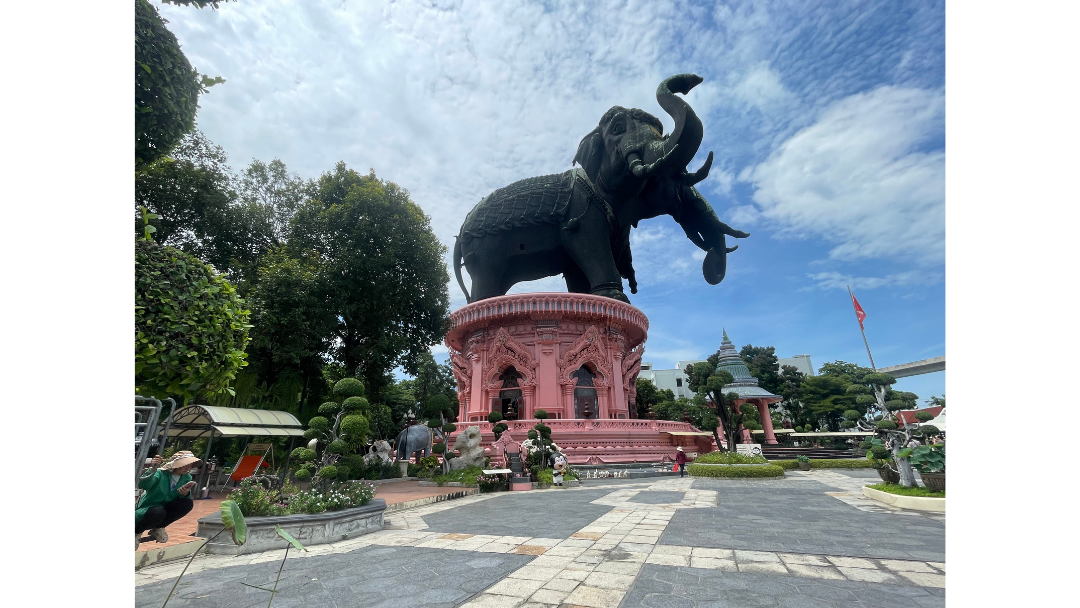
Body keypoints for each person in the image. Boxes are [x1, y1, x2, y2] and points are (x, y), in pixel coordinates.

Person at [135, 450, 200, 550]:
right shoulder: (160, 473)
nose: (188, 468)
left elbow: (184, 499)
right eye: (186, 464)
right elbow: (144, 485)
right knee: (158, 511)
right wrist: (152, 469)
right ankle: (136, 533)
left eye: (190, 465)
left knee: (187, 503)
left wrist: (185, 494)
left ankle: (159, 527)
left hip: (166, 509)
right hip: (149, 509)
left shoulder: (186, 477)